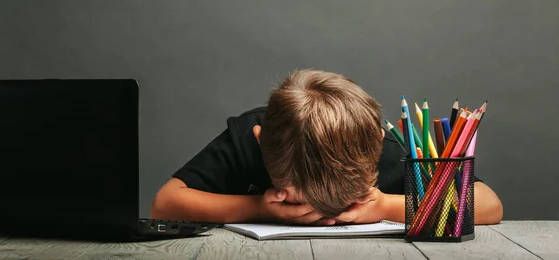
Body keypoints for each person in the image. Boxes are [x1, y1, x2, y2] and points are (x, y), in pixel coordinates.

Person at [151, 69, 503, 225]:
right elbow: (165, 204)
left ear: (376, 147)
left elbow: (489, 205)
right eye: (296, 195)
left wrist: (384, 206)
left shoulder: (379, 144)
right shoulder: (250, 132)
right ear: (260, 142)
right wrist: (258, 208)